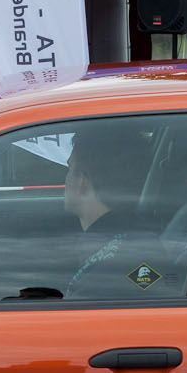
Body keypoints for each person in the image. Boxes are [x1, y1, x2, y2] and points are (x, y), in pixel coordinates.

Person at [63, 126, 174, 300]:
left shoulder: (102, 280)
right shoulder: (137, 244)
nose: (65, 179)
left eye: (69, 169)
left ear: (82, 181)